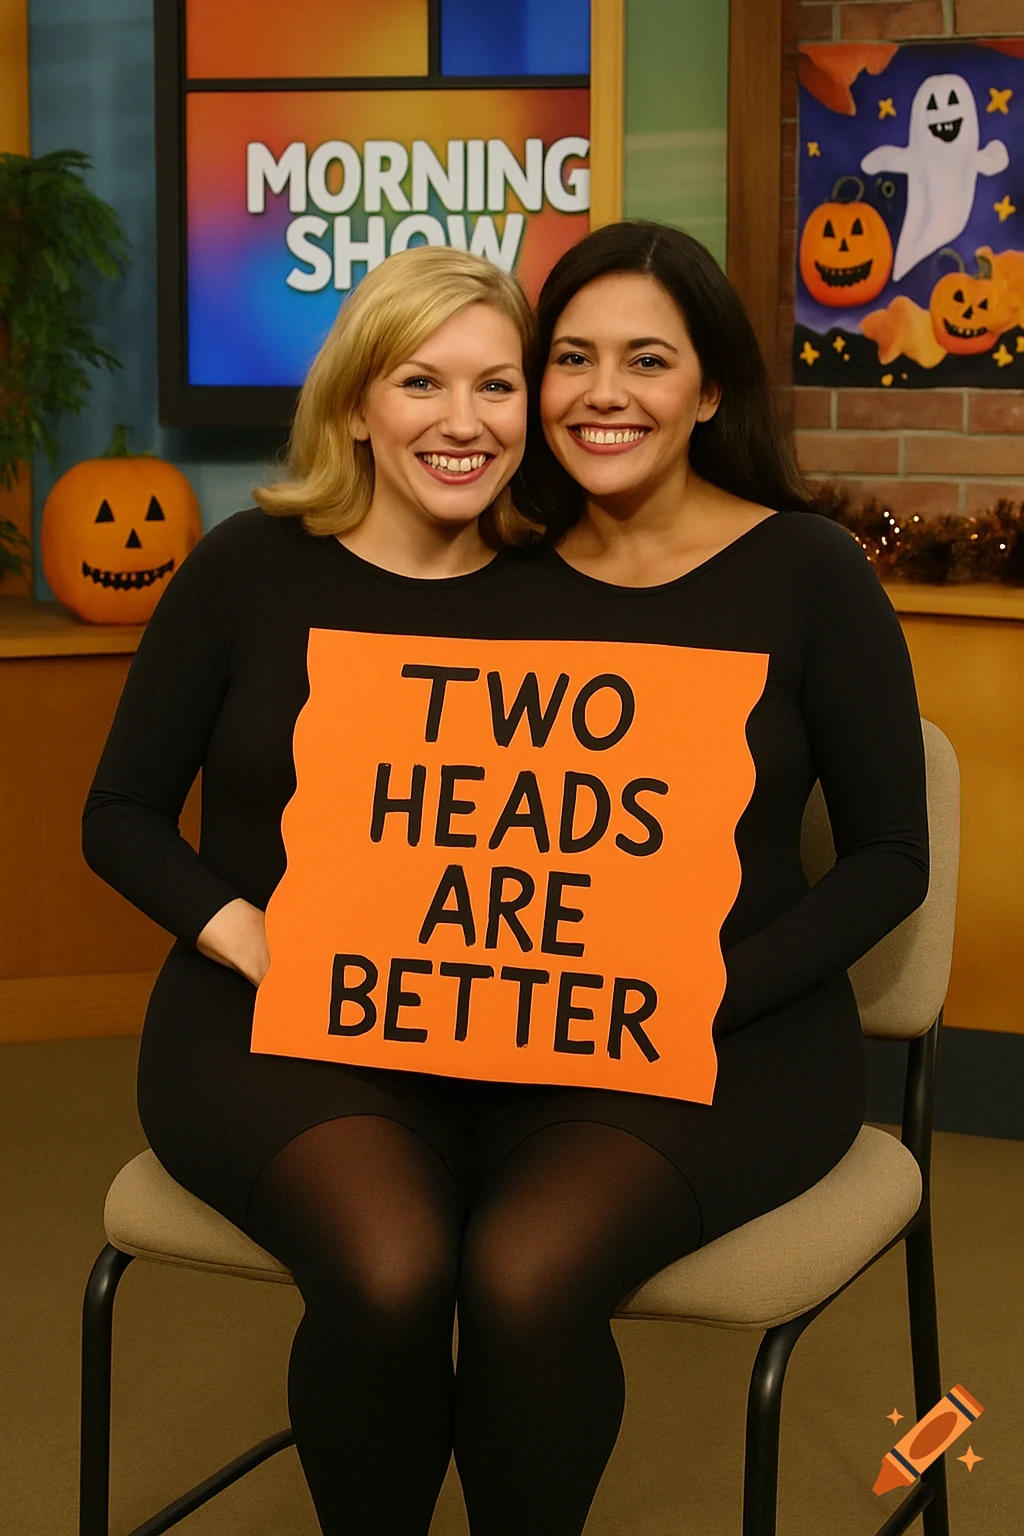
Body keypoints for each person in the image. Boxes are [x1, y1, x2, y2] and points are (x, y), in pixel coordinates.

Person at [82, 223, 928, 1536]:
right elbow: (123, 813)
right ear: (355, 401)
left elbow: (883, 858)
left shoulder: (577, 578)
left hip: (659, 1028)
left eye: (495, 381)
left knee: (521, 1269)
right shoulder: (279, 569)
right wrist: (248, 932)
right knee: (396, 1265)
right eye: (423, 380)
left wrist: (690, 981)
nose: (471, 416)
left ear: (710, 389)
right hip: (311, 1015)